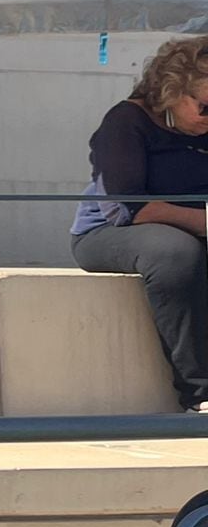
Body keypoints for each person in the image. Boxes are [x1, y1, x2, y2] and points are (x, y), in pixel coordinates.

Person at [70, 36, 208, 408]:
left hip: (195, 228)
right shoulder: (126, 122)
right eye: (205, 107)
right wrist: (205, 221)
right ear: (172, 89)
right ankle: (200, 391)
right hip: (108, 234)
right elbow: (128, 209)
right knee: (175, 253)